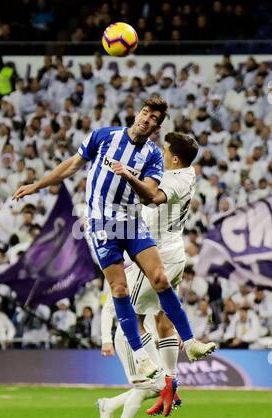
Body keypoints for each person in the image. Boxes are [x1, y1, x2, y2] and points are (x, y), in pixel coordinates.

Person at [12, 97, 215, 393]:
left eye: (153, 118)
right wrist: (37, 185)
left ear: (157, 126)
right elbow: (72, 165)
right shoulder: (104, 136)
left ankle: (192, 343)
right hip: (101, 224)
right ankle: (140, 356)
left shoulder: (153, 156)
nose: (146, 118)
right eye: (144, 112)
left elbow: (149, 195)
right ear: (138, 114)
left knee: (159, 278)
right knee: (119, 289)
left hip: (132, 222)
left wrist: (128, 175)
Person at [97, 132, 202, 418]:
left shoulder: (170, 183)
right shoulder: (180, 176)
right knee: (157, 384)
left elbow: (151, 196)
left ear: (173, 158)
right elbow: (111, 306)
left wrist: (127, 173)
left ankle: (111, 409)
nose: (159, 151)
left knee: (156, 383)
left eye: (164, 149)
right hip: (129, 339)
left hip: (160, 257)